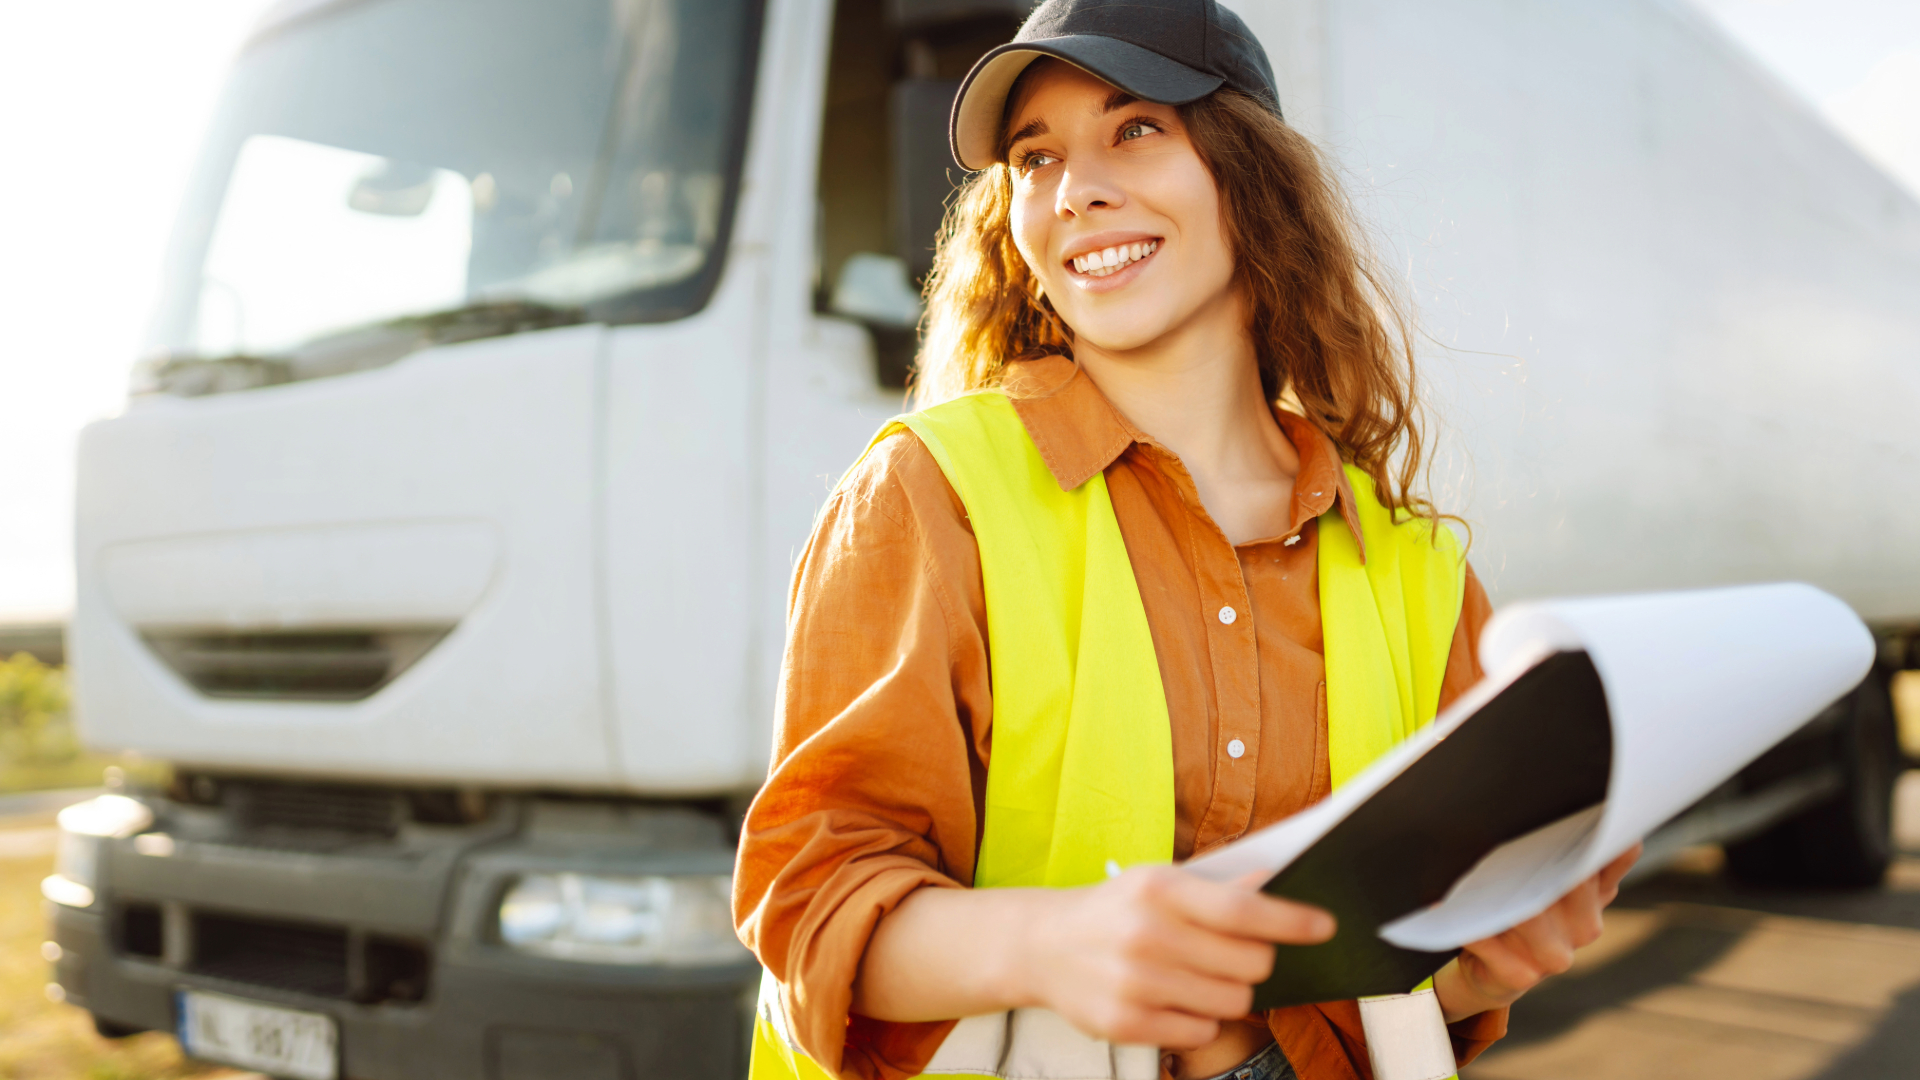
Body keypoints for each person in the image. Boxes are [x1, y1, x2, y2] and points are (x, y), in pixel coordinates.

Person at [734, 1, 1639, 1077]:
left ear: (1251, 179)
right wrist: (1048, 945)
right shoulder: (931, 495)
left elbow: (1407, 973)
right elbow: (811, 898)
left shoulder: (1417, 569)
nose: (1077, 190)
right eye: (1036, 157)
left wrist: (1487, 966)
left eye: (1136, 129)